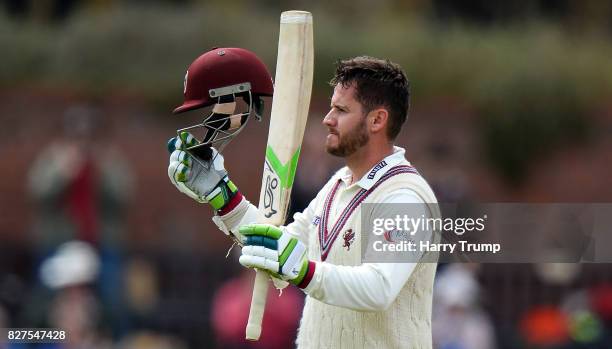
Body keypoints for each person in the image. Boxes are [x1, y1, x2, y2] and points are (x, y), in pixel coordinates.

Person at [168, 52, 439, 348]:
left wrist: (301, 269)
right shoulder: (336, 187)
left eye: (341, 110)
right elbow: (274, 248)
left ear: (377, 120)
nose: (327, 119)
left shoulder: (405, 197)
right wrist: (222, 194)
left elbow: (378, 288)